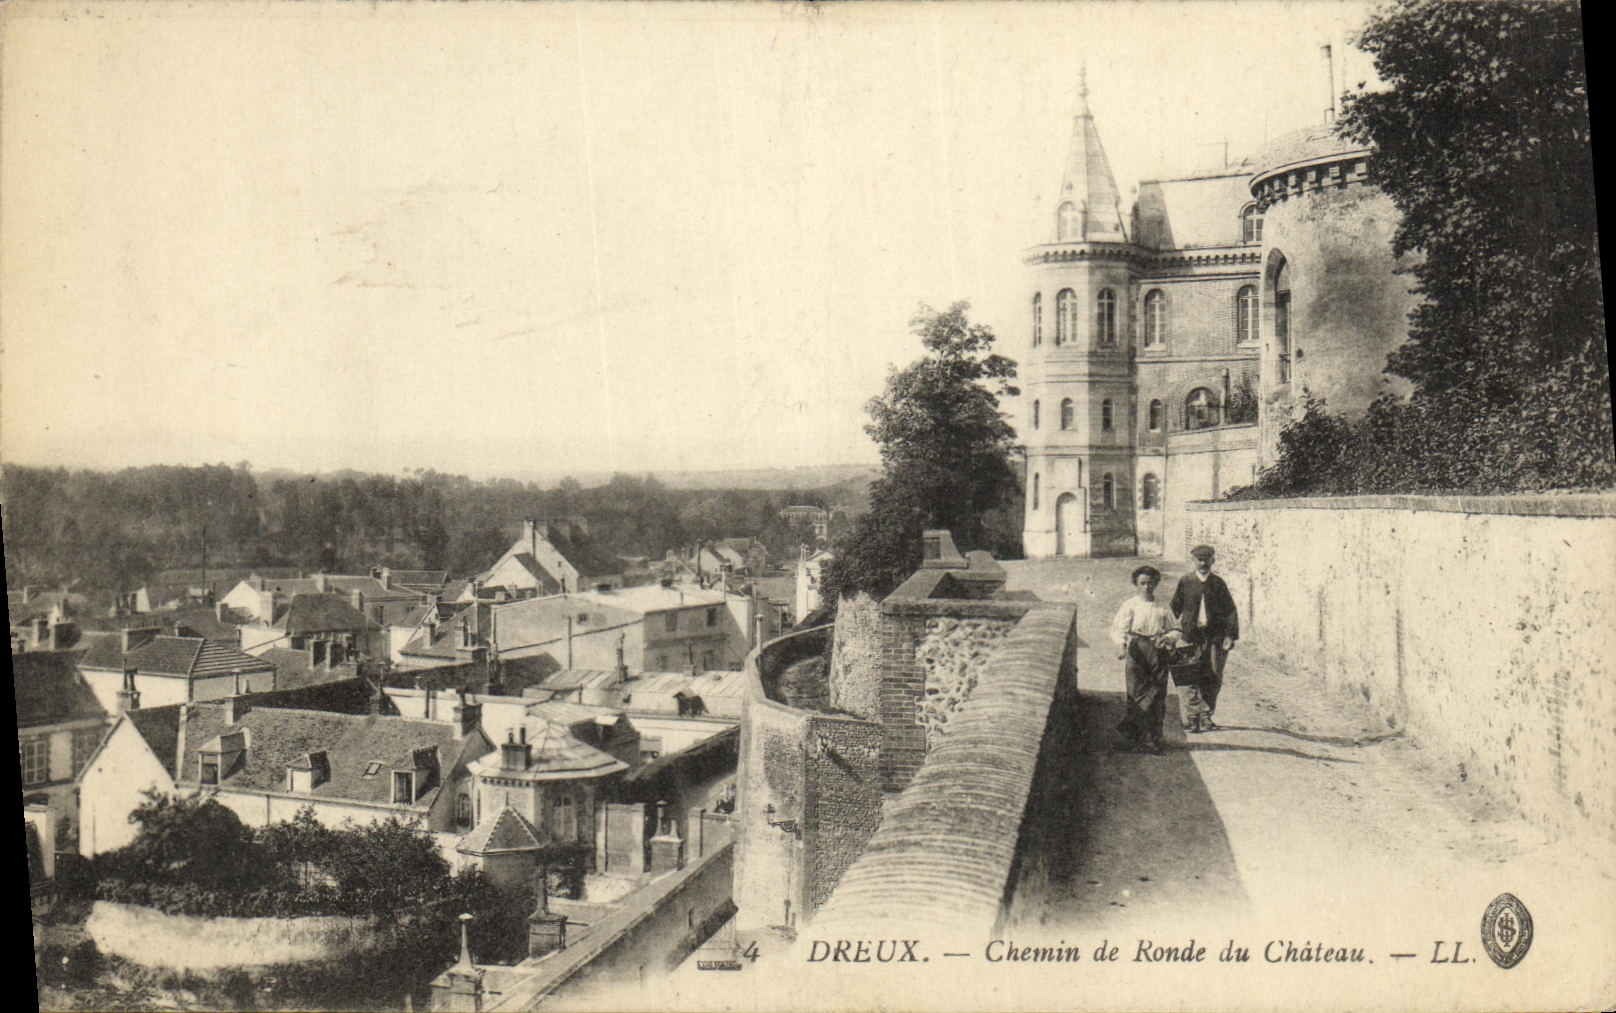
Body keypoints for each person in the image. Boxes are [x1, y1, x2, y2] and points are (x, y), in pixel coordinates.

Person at [1171, 544, 1240, 733]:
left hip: (1214, 638)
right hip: (1191, 637)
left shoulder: (1218, 584)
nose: (1203, 563)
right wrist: (1176, 633)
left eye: (1206, 559)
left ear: (1213, 561)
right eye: (1199, 560)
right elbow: (1174, 608)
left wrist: (1230, 635)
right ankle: (1192, 716)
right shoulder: (1186, 582)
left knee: (1214, 675)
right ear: (1193, 561)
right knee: (1188, 675)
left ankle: (1206, 715)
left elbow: (1230, 610)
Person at [1110, 564, 1177, 753]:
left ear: (1156, 583)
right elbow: (1118, 627)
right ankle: (1136, 738)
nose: (1147, 587)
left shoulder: (1162, 606)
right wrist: (1120, 644)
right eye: (1142, 583)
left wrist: (1168, 638)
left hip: (1158, 649)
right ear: (1136, 584)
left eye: (1150, 583)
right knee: (1136, 692)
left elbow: (1175, 629)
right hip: (1137, 648)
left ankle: (1154, 737)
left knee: (1157, 692)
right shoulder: (1130, 605)